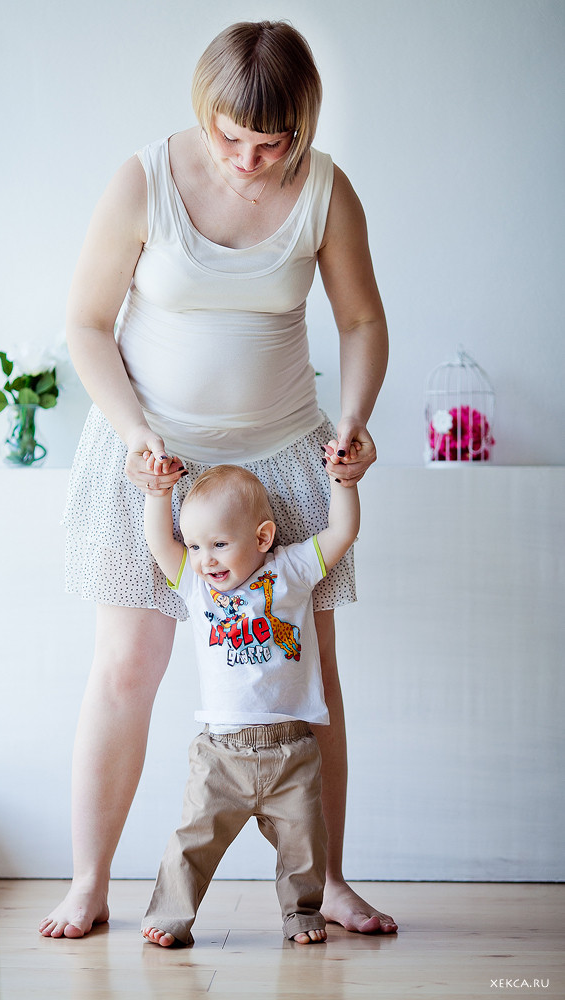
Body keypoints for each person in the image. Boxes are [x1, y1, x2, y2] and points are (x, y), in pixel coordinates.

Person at [39, 19, 396, 939]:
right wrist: (137, 436)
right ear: (204, 111)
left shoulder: (324, 191)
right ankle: (88, 882)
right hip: (154, 463)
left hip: (278, 463)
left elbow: (360, 321)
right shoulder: (144, 180)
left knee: (308, 674)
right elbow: (86, 323)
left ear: (302, 126)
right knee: (126, 668)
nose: (246, 160)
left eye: (270, 144)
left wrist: (353, 419)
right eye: (230, 137)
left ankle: (329, 881)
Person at [141, 463, 359, 947]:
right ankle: (170, 917)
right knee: (193, 840)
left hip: (291, 749)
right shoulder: (196, 585)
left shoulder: (291, 570)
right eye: (195, 546)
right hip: (221, 754)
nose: (206, 560)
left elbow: (343, 532)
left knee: (304, 842)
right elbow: (159, 543)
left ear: (262, 537)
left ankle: (302, 913)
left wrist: (343, 482)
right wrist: (159, 493)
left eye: (219, 544)